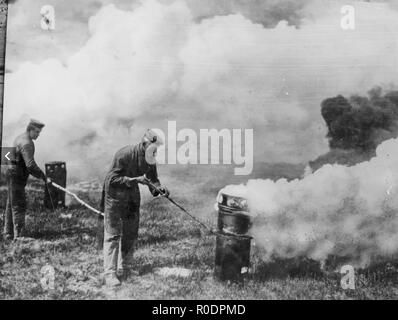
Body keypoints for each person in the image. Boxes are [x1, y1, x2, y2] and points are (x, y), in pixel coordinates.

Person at [102, 129, 169, 287]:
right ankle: (110, 273)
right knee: (112, 234)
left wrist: (159, 190)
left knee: (131, 233)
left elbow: (153, 179)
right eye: (153, 148)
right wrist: (134, 179)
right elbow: (111, 178)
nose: (155, 152)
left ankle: (126, 267)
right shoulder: (124, 154)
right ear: (144, 143)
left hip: (131, 196)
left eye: (157, 149)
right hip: (115, 197)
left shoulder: (150, 158)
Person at [3, 119, 49, 240]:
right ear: (30, 129)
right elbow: (30, 165)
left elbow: (7, 154)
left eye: (39, 132)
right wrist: (42, 176)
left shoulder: (20, 137)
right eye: (37, 132)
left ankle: (8, 232)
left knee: (11, 202)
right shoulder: (27, 143)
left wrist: (10, 166)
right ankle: (19, 236)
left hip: (11, 173)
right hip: (17, 176)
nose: (38, 135)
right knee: (19, 204)